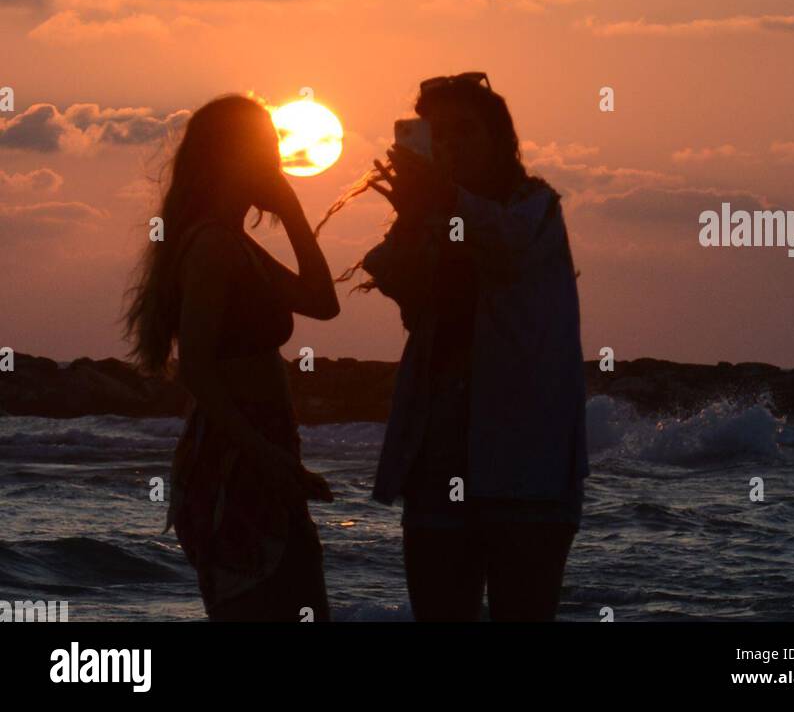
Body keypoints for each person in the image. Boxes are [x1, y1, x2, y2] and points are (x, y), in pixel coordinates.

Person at [347, 72, 588, 622]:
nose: (451, 146)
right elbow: (393, 276)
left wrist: (443, 198)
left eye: (464, 132)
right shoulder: (433, 218)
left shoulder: (535, 207)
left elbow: (506, 240)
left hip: (529, 468)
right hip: (437, 460)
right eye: (438, 136)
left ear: (498, 140)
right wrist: (414, 215)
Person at [123, 94, 339, 621]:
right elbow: (196, 368)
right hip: (235, 460)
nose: (276, 161)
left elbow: (322, 302)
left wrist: (293, 211)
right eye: (264, 148)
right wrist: (266, 456)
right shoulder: (213, 246)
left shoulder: (234, 241)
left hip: (261, 452)